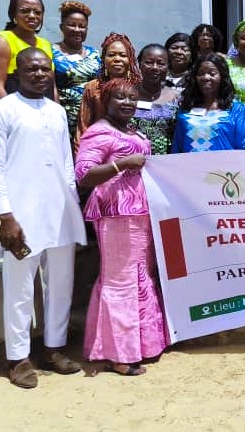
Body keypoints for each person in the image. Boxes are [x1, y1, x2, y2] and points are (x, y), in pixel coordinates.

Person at [0, 47, 86, 388]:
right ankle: (18, 358)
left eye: (46, 69)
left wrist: (72, 205)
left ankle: (53, 348)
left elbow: (66, 164)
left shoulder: (57, 112)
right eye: (33, 69)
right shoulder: (0, 112)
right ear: (18, 72)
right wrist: (5, 216)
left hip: (59, 211)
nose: (40, 74)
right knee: (20, 287)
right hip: (21, 215)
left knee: (60, 283)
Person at [75, 78, 168, 376]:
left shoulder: (131, 130)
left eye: (132, 98)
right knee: (119, 282)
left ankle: (142, 345)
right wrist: (122, 163)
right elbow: (84, 174)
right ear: (106, 101)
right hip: (116, 214)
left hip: (140, 213)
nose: (127, 103)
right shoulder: (99, 132)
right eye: (120, 98)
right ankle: (118, 354)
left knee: (141, 276)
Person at [76, 33, 141, 150]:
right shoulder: (92, 87)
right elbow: (83, 128)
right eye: (111, 55)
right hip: (97, 150)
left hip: (130, 151)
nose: (117, 59)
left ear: (130, 59)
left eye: (123, 55)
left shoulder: (137, 88)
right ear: (104, 59)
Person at [0, 0, 55, 101]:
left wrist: (56, 111)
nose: (32, 16)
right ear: (14, 14)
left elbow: (52, 86)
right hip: (14, 110)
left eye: (37, 12)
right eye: (25, 11)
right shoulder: (2, 40)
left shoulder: (45, 44)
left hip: (43, 110)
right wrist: (10, 114)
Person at [171, 54, 245, 153]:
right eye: (201, 73)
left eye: (212, 73)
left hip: (224, 167)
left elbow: (242, 146)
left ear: (222, 76)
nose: (206, 77)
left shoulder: (236, 109)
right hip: (190, 167)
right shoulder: (186, 106)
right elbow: (177, 146)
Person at [52, 1, 102, 146]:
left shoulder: (94, 54)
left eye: (82, 26)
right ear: (62, 27)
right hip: (62, 117)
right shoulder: (51, 51)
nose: (77, 29)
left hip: (90, 118)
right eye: (72, 25)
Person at [132, 44, 181, 155]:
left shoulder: (177, 98)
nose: (155, 67)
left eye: (160, 63)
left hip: (165, 163)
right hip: (131, 162)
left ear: (168, 67)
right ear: (139, 64)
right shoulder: (127, 94)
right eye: (149, 62)